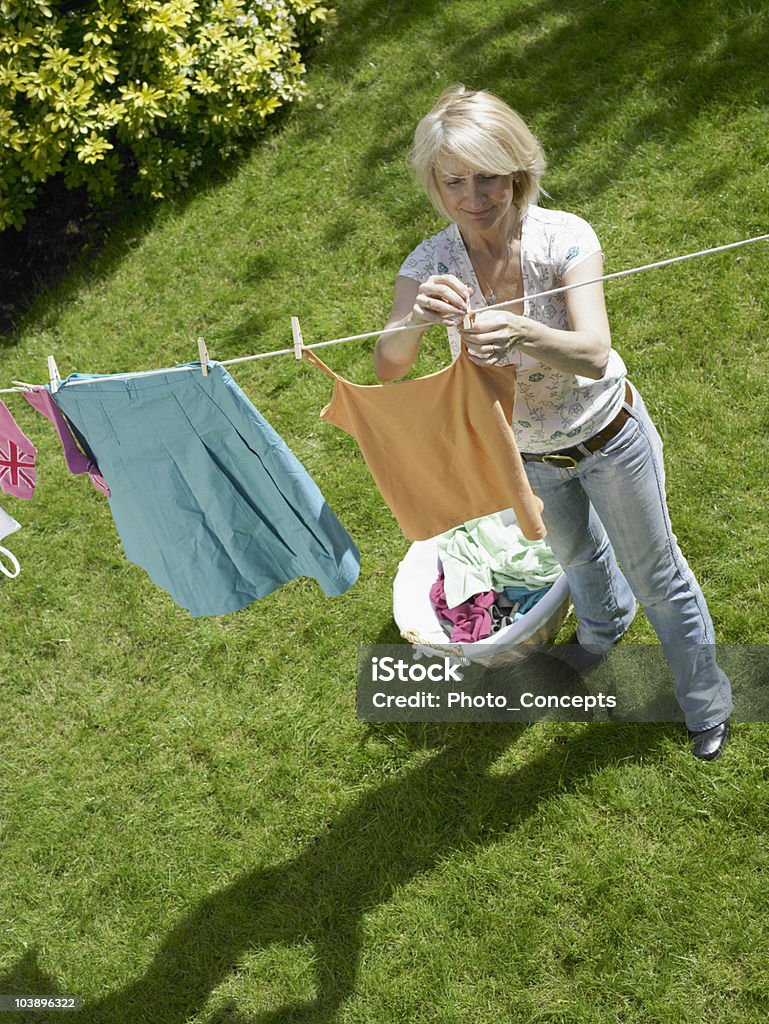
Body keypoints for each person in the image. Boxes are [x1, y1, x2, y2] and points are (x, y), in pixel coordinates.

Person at [374, 84, 732, 761]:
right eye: (455, 181)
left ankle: (705, 701)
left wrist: (522, 332)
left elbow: (594, 354)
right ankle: (600, 632)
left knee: (656, 572)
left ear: (518, 170)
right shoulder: (429, 265)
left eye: (489, 177)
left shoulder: (564, 238)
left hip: (608, 437)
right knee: (570, 555)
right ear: (433, 183)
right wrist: (414, 316)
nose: (474, 196)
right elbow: (388, 367)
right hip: (526, 454)